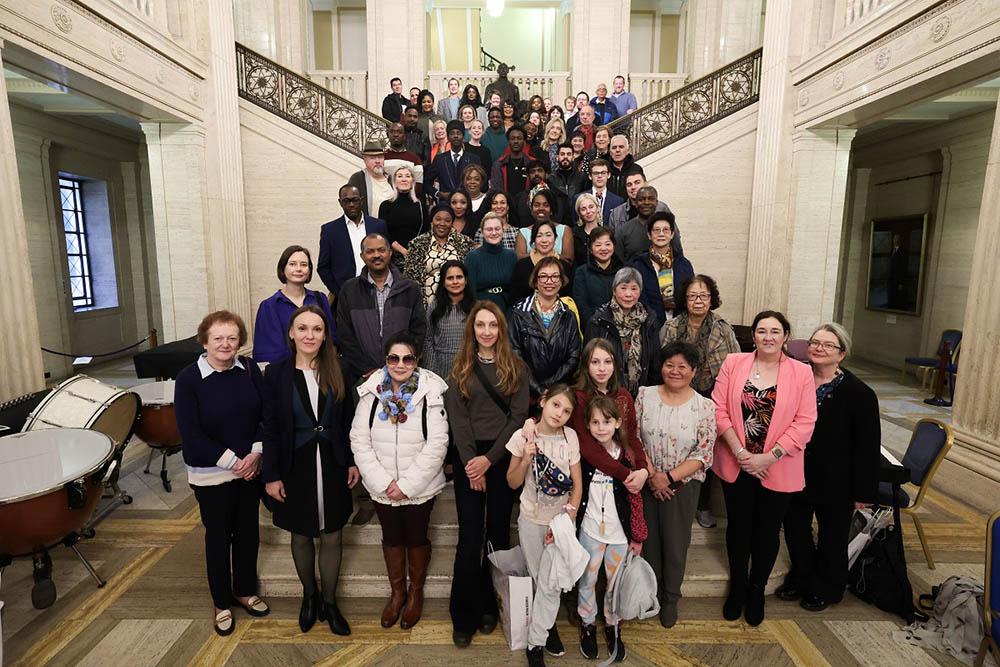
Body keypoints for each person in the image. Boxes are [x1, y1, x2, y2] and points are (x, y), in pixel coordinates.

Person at [712, 310, 817, 627]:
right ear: (753, 335)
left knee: (768, 531)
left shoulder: (802, 373)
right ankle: (738, 588)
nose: (767, 337)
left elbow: (805, 422)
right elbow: (718, 409)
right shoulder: (734, 363)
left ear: (786, 335)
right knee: (738, 527)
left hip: (778, 465)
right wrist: (742, 452)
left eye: (774, 331)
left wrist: (767, 457)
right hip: (737, 460)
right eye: (761, 331)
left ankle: (757, 589)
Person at [261, 305, 358, 635]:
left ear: (325, 334)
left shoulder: (341, 368)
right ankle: (310, 595)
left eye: (317, 329)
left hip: (333, 459)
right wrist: (271, 475)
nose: (309, 335)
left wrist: (353, 461)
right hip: (294, 463)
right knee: (301, 534)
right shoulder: (276, 373)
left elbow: (350, 422)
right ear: (291, 333)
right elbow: (271, 427)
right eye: (302, 328)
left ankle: (330, 602)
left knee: (332, 533)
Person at [175, 310, 269, 636]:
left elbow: (265, 414)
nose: (226, 344)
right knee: (218, 538)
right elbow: (191, 434)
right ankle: (221, 603)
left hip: (250, 468)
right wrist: (234, 461)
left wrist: (256, 453)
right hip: (212, 474)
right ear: (205, 340)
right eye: (218, 338)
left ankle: (244, 590)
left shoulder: (249, 369)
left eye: (232, 338)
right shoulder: (189, 379)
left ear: (240, 341)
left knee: (248, 534)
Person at [775, 323, 880, 612]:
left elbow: (868, 446)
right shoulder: (796, 379)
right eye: (814, 343)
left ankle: (827, 587)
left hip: (837, 479)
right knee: (795, 529)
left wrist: (864, 490)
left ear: (842, 354)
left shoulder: (859, 393)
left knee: (832, 536)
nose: (819, 349)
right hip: (796, 472)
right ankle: (801, 577)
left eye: (827, 345)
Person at [350, 332, 450, 630]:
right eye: (394, 358)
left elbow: (438, 443)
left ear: (416, 360)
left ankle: (415, 594)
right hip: (382, 487)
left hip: (419, 487)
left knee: (416, 538)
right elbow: (359, 438)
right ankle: (397, 593)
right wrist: (383, 482)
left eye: (407, 358)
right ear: (386, 360)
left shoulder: (430, 393)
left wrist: (406, 485)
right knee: (392, 538)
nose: (400, 364)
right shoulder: (370, 393)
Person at [446, 301, 530, 647]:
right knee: (469, 538)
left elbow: (518, 416)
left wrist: (489, 460)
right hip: (469, 457)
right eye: (480, 325)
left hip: (502, 456)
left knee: (497, 532)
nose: (486, 331)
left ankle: (489, 604)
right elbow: (458, 418)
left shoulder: (516, 366)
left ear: (500, 329)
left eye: (492, 325)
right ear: (472, 330)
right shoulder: (460, 368)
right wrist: (471, 463)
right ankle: (462, 613)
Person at [636, 340, 717, 628]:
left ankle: (671, 597)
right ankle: (652, 591)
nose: (675, 371)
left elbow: (704, 453)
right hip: (646, 481)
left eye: (682, 366)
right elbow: (634, 439)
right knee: (649, 540)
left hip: (682, 486)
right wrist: (652, 475)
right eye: (669, 364)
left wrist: (667, 478)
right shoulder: (644, 396)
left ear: (694, 371)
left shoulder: (704, 406)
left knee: (675, 543)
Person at [505, 384, 582, 667]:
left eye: (566, 411)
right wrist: (526, 458)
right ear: (543, 402)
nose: (559, 413)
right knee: (542, 581)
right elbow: (512, 482)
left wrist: (566, 521)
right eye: (556, 405)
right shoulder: (522, 436)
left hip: (559, 523)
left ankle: (535, 641)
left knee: (551, 585)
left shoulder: (570, 437)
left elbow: (577, 486)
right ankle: (547, 629)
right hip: (530, 520)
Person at [659, 274, 740, 528]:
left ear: (711, 299)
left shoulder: (722, 328)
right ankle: (674, 496)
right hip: (675, 396)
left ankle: (703, 505)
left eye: (703, 296)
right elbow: (659, 363)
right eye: (693, 295)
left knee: (706, 451)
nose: (697, 301)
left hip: (709, 398)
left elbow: (735, 366)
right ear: (685, 298)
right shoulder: (671, 328)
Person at [576, 395, 646, 661]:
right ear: (588, 425)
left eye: (606, 421)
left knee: (615, 583)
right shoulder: (586, 455)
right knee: (588, 580)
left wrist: (638, 536)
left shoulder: (626, 456)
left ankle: (612, 625)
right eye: (595, 422)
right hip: (591, 533)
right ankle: (587, 624)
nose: (601, 427)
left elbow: (636, 499)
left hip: (619, 536)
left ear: (617, 422)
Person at [335, 233, 427, 384]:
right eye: (370, 251)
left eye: (381, 250)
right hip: (363, 377)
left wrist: (398, 366)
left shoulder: (410, 288)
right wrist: (366, 369)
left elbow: (418, 331)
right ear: (362, 256)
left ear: (390, 253)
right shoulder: (349, 290)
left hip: (402, 375)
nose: (376, 255)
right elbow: (345, 336)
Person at [509, 257, 582, 398]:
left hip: (559, 393)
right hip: (525, 393)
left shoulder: (569, 316)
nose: (549, 281)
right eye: (543, 276)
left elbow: (573, 357)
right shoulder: (519, 313)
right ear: (535, 281)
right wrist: (538, 389)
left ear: (562, 281)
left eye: (555, 276)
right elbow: (515, 356)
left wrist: (549, 387)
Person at [585, 267, 661, 395]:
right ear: (614, 291)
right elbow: (587, 361)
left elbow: (655, 361)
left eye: (634, 288)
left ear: (640, 292)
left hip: (642, 392)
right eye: (623, 288)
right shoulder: (599, 321)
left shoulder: (649, 319)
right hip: (606, 392)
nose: (628, 294)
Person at [254, 245, 337, 363]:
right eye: (292, 264)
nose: (298, 269)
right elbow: (267, 352)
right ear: (283, 268)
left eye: (303, 265)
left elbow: (331, 339)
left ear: (309, 270)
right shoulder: (269, 306)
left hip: (321, 368)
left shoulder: (320, 299)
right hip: (286, 372)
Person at [318, 184, 388, 300]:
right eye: (346, 201)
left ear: (362, 200)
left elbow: (387, 257)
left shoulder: (378, 225)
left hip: (378, 291)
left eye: (355, 200)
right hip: (347, 294)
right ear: (340, 202)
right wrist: (340, 292)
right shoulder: (330, 230)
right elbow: (323, 267)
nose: (351, 204)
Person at [403, 204, 476, 307]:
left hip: (458, 304)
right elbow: (409, 277)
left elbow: (471, 275)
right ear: (431, 221)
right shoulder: (418, 244)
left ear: (452, 223)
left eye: (447, 220)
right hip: (425, 305)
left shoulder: (465, 243)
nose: (442, 223)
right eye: (438, 219)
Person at [634, 210, 695, 328]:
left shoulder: (684, 264)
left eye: (666, 230)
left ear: (672, 234)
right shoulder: (639, 265)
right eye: (656, 230)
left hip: (681, 326)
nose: (661, 234)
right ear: (649, 235)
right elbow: (640, 300)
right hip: (649, 327)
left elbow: (689, 296)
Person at [423, 260, 474, 379]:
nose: (455, 281)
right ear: (443, 282)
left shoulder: (475, 308)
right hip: (440, 368)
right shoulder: (434, 307)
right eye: (450, 278)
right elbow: (428, 339)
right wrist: (431, 373)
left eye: (459, 277)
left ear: (466, 280)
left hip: (469, 366)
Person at [510, 218, 573, 304]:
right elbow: (514, 298)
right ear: (534, 240)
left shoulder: (564, 266)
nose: (544, 240)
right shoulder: (521, 266)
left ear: (555, 239)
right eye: (539, 236)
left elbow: (569, 298)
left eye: (548, 235)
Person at [465, 213, 518, 315]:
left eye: (497, 229)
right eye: (489, 229)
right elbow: (470, 292)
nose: (494, 233)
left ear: (503, 230)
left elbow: (515, 291)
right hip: (480, 309)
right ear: (482, 232)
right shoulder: (472, 257)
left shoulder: (511, 256)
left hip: (507, 310)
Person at [573, 226, 621, 327]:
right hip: (593, 327)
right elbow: (581, 305)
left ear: (614, 246)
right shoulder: (582, 272)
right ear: (590, 248)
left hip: (621, 327)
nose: (603, 249)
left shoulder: (623, 272)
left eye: (608, 244)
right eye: (598, 245)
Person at [377, 165, 427, 263]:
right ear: (394, 182)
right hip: (391, 258)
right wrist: (403, 251)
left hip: (416, 257)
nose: (404, 179)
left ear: (413, 182)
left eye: (408, 176)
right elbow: (383, 233)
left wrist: (413, 252)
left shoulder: (421, 206)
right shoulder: (385, 206)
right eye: (400, 176)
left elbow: (425, 232)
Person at [607, 165, 674, 237]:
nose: (633, 187)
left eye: (637, 183)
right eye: (629, 185)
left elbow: (673, 235)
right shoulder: (617, 213)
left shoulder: (661, 208)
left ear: (646, 184)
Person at [426, 120, 483, 203]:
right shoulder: (440, 159)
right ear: (448, 137)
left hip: (468, 204)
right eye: (452, 133)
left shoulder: (474, 159)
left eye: (458, 133)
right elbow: (427, 182)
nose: (455, 136)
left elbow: (482, 183)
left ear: (463, 136)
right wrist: (439, 194)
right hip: (446, 205)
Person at [514, 188, 573, 262]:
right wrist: (549, 254)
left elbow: (568, 261)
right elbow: (519, 259)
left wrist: (538, 255)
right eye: (536, 205)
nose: (541, 208)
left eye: (546, 205)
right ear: (531, 209)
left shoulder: (564, 230)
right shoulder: (523, 233)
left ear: (551, 210)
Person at [348, 141, 394, 217]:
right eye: (372, 158)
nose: (377, 161)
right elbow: (350, 206)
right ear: (365, 161)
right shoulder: (357, 179)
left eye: (380, 157)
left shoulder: (391, 179)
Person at [575, 158, 624, 227]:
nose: (600, 176)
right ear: (590, 176)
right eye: (596, 173)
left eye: (603, 173)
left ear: (609, 175)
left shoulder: (618, 201)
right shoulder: (578, 198)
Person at [384, 122, 425, 197]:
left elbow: (418, 185)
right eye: (392, 132)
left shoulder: (415, 159)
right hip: (385, 200)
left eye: (399, 132)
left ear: (404, 136)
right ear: (387, 135)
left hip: (408, 202)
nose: (396, 135)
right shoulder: (381, 158)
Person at [489, 125, 532, 196]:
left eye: (519, 138)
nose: (516, 141)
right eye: (512, 138)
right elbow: (496, 190)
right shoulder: (499, 165)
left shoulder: (532, 163)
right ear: (508, 141)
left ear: (524, 141)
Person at [570, 192, 605, 267]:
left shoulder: (606, 233)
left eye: (591, 207)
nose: (588, 211)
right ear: (579, 213)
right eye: (583, 209)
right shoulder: (573, 234)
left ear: (598, 208)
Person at [461, 163, 490, 227]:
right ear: (463, 181)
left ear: (482, 182)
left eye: (476, 179)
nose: (472, 182)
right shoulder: (458, 201)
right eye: (468, 179)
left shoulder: (488, 200)